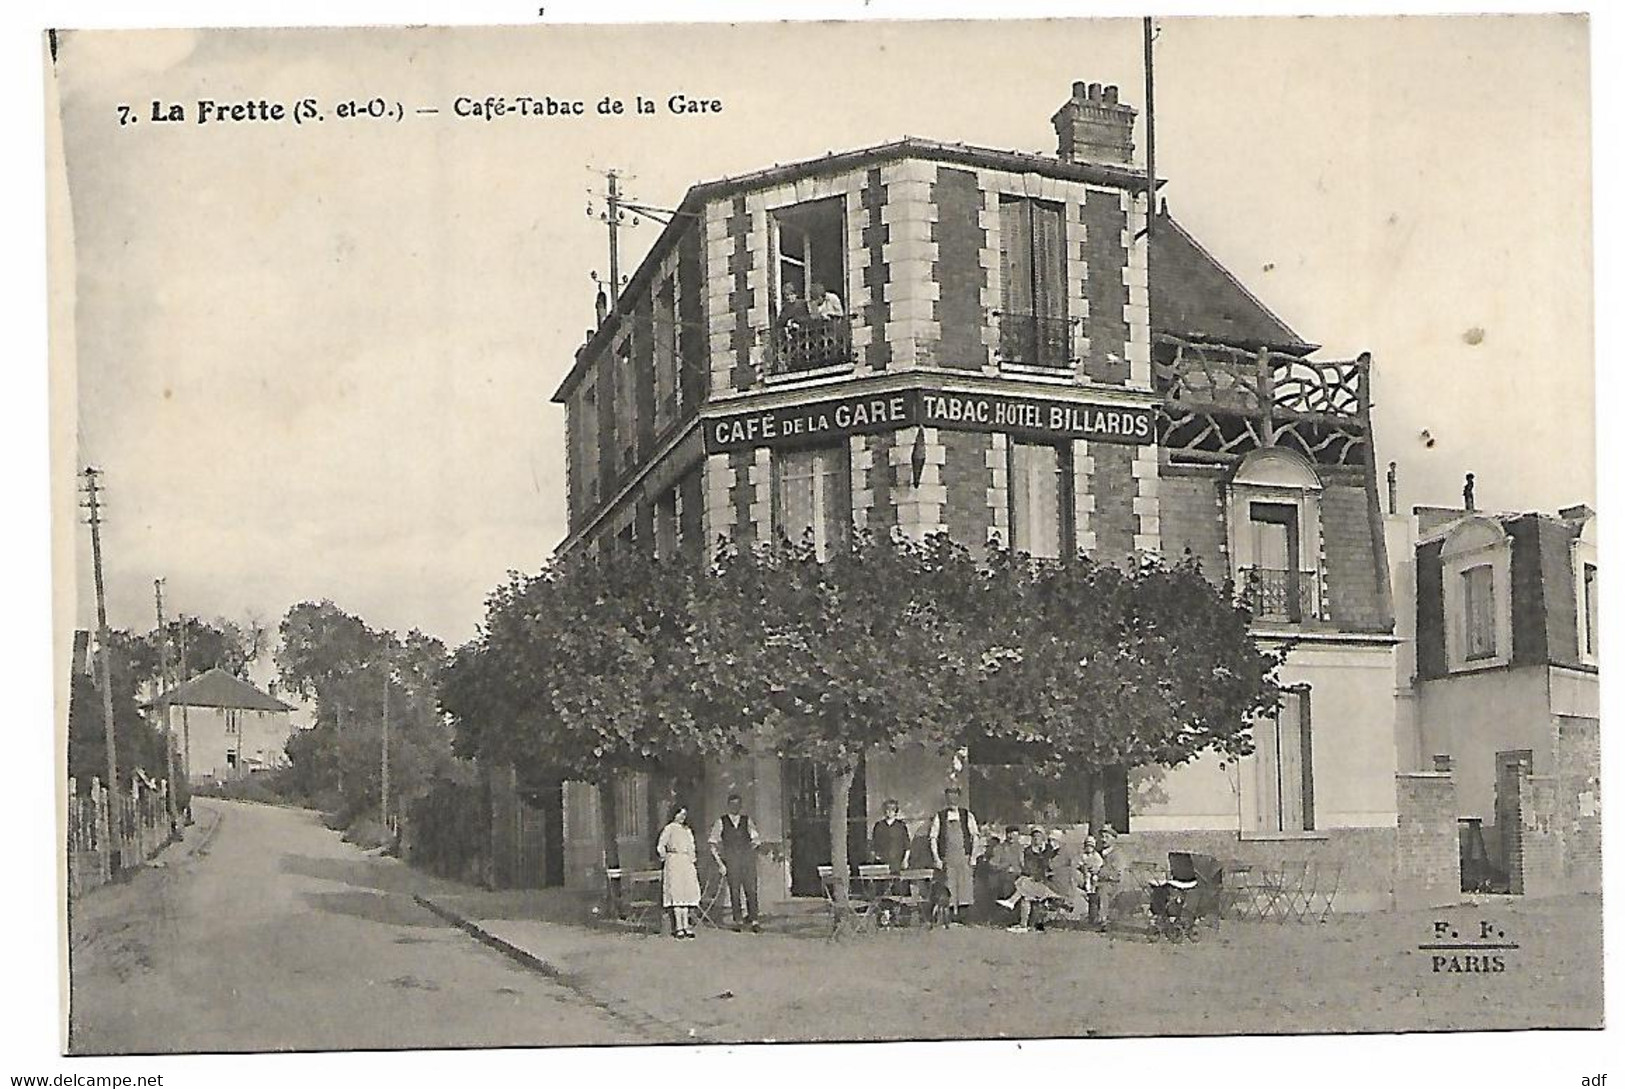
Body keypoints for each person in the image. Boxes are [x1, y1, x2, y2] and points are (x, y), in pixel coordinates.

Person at [708, 792, 762, 932]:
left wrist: (749, 851)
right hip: (731, 861)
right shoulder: (722, 821)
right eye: (732, 805)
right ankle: (738, 920)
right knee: (735, 890)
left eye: (738, 805)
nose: (735, 807)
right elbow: (713, 843)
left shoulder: (746, 820)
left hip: (746, 861)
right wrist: (720, 863)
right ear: (728, 805)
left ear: (740, 805)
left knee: (751, 889)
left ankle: (754, 919)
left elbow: (756, 839)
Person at [928, 786, 980, 927]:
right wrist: (937, 858)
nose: (952, 800)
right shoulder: (940, 816)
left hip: (964, 856)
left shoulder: (966, 815)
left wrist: (973, 856)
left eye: (954, 797)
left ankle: (964, 918)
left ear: (958, 798)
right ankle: (949, 918)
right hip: (948, 858)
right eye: (949, 797)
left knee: (965, 887)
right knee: (949, 886)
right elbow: (933, 838)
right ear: (946, 799)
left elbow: (975, 836)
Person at [998, 827, 1064, 933]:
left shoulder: (1050, 851)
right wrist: (1033, 876)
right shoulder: (1028, 851)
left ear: (1043, 837)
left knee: (1023, 884)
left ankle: (1013, 903)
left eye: (1038, 836)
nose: (1036, 838)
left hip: (1050, 884)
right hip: (1037, 882)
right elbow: (1029, 868)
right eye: (1034, 836)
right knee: (1025, 893)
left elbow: (1052, 868)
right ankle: (1024, 924)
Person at [657, 804, 702, 939]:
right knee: (676, 893)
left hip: (686, 862)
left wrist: (692, 860)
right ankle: (678, 927)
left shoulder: (687, 830)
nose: (682, 817)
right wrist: (665, 857)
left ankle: (686, 926)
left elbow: (691, 846)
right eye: (680, 814)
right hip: (674, 861)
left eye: (684, 815)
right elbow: (661, 845)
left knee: (686, 893)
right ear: (674, 814)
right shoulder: (669, 828)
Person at [1094, 826, 1123, 930]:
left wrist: (1099, 872)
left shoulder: (1117, 854)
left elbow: (1116, 874)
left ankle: (1103, 920)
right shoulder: (1099, 852)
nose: (1103, 839)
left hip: (1113, 884)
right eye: (1102, 837)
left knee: (1103, 890)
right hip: (1097, 880)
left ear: (1114, 839)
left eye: (1107, 837)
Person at [1076, 835, 1105, 929]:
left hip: (1094, 872)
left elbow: (1100, 863)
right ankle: (1088, 887)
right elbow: (1078, 863)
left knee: (1094, 879)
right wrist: (1082, 867)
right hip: (1085, 873)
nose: (1088, 848)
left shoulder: (1096, 855)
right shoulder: (1082, 855)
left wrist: (1096, 867)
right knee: (1087, 878)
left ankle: (1092, 888)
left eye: (1090, 846)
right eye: (1087, 846)